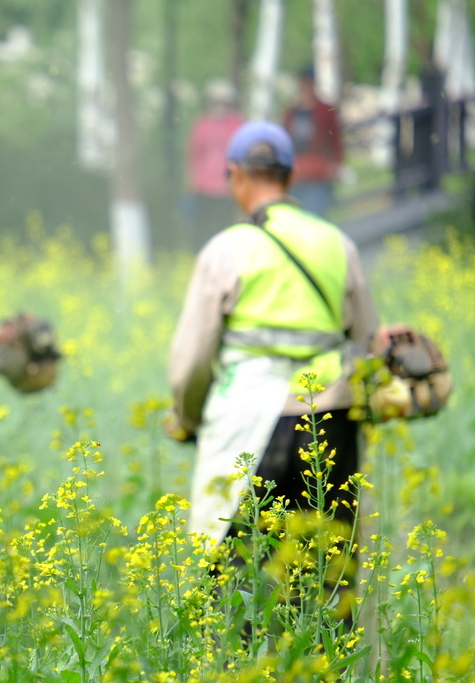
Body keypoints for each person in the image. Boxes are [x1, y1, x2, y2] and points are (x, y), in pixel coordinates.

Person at [166, 121, 379, 617]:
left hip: (250, 421)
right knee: (325, 574)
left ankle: (238, 665)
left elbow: (193, 357)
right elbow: (366, 339)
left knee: (235, 569)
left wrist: (187, 417)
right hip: (329, 416)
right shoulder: (336, 244)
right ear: (289, 175)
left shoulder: (228, 248)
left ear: (236, 176)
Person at [185, 79, 245, 250]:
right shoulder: (202, 123)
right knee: (203, 230)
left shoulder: (237, 123)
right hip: (204, 188)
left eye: (223, 101)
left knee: (226, 228)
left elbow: (241, 155)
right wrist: (191, 182)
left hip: (228, 189)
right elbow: (193, 155)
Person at [283, 65, 344, 218]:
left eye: (308, 83)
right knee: (295, 216)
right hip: (296, 173)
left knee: (315, 217)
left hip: (318, 173)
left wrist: (335, 164)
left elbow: (335, 139)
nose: (305, 87)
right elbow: (285, 141)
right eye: (303, 83)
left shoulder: (326, 110)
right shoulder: (291, 112)